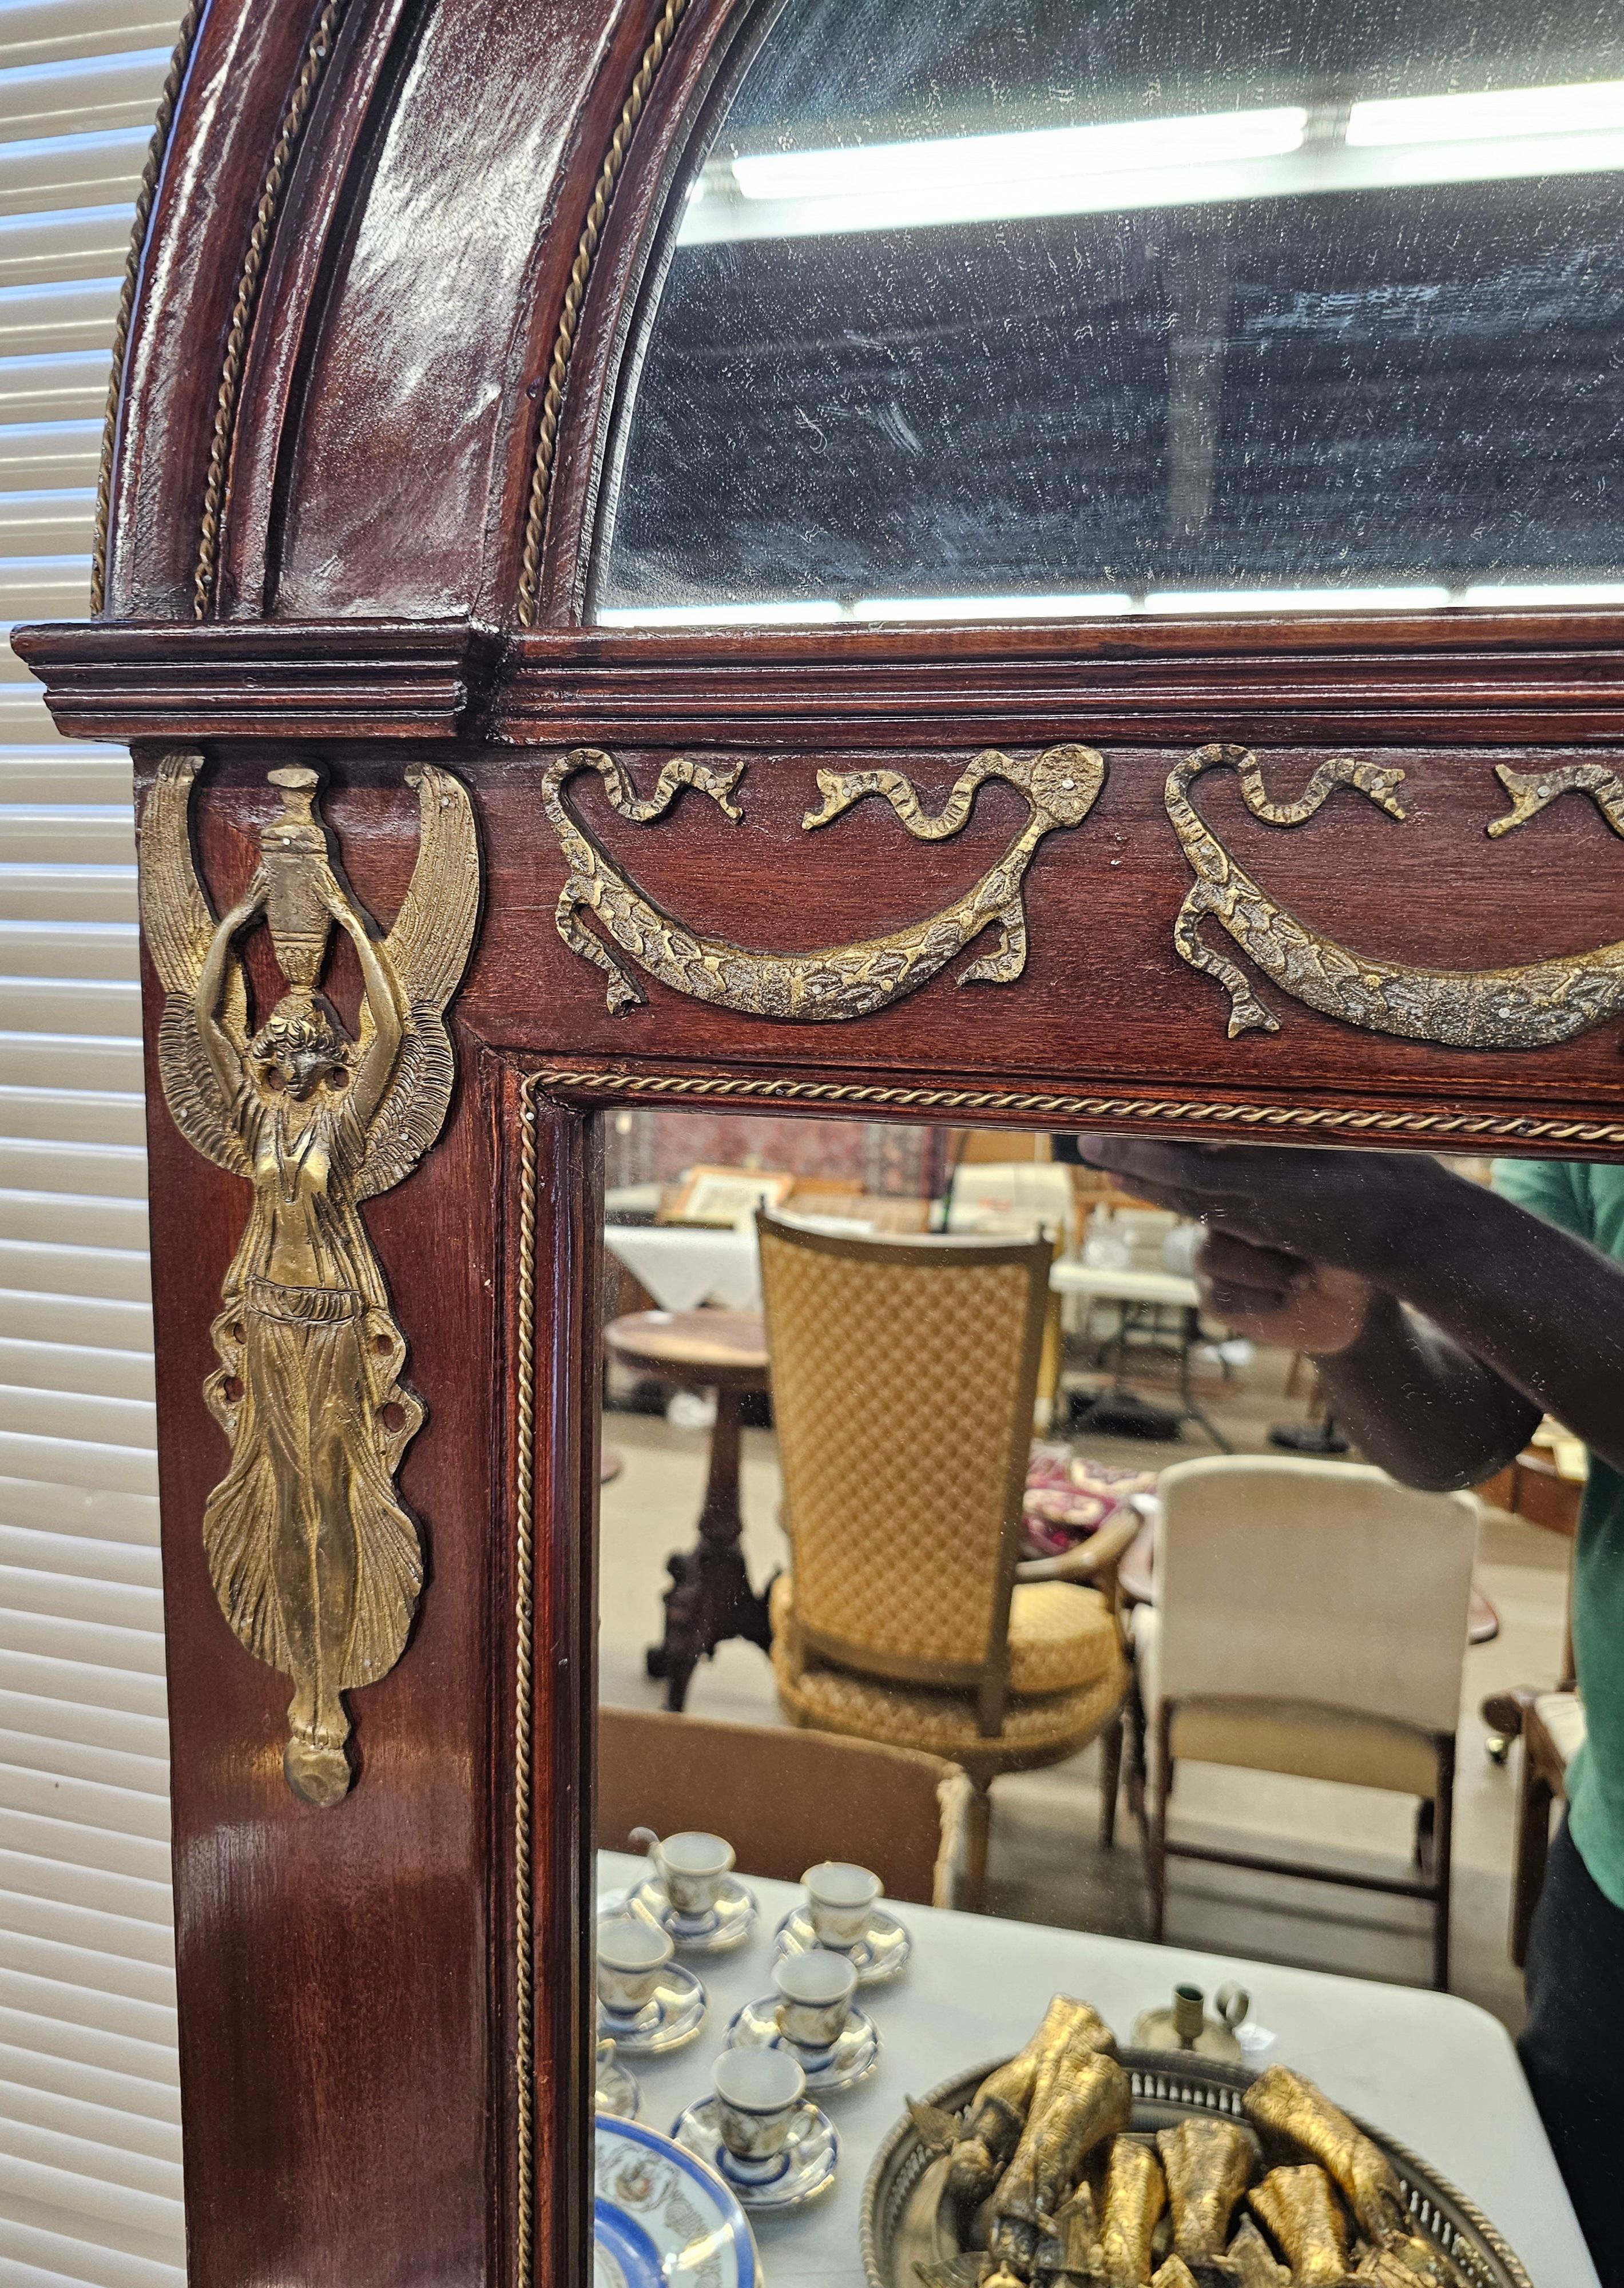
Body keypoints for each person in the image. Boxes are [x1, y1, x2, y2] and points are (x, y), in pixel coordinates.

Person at [1074, 1136, 1624, 2277]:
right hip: (1614, 1838)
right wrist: (1354, 1322)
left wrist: (1420, 1225)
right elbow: (1476, 1426)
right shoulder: (1584, 1019)